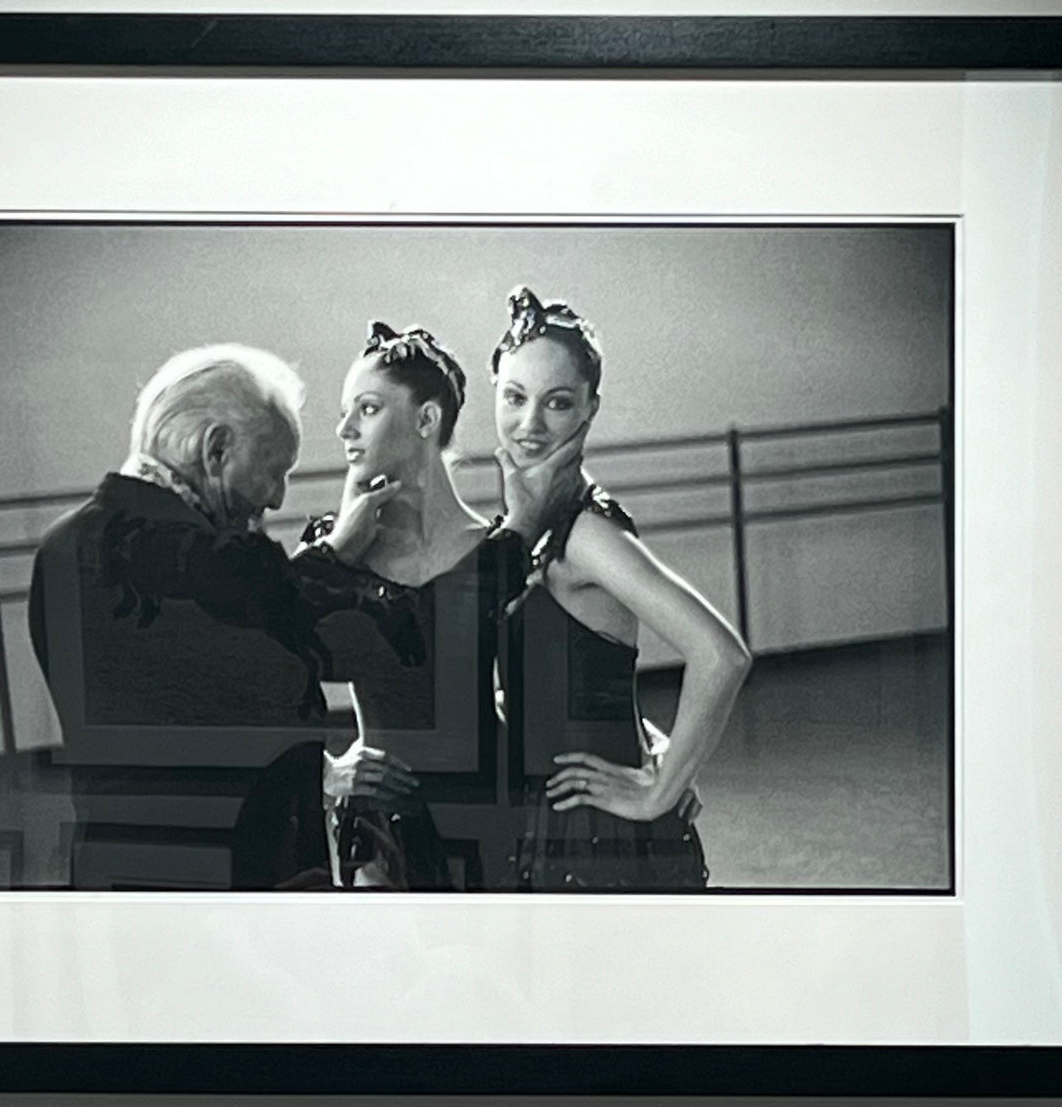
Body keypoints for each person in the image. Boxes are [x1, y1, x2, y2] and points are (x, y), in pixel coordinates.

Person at [26, 343, 420, 888]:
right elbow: (271, 644)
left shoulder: (60, 547)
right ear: (215, 449)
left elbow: (178, 711)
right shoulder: (211, 565)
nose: (279, 498)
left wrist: (320, 770)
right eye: (273, 469)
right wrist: (336, 557)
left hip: (112, 875)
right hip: (230, 886)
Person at [289, 321, 585, 889]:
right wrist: (323, 772)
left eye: (367, 409)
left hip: (494, 822)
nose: (344, 428)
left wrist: (649, 751)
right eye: (346, 411)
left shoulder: (502, 549)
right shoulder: (332, 552)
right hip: (380, 836)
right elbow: (267, 657)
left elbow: (562, 685)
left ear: (427, 419)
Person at [490, 286, 753, 890]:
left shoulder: (586, 532)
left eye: (557, 403)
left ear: (590, 408)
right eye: (514, 397)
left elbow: (722, 653)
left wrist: (661, 788)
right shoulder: (526, 518)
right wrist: (655, 743)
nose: (529, 424)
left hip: (596, 839)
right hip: (550, 820)